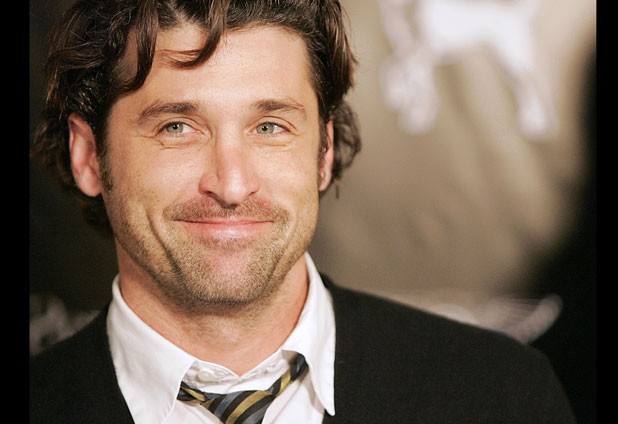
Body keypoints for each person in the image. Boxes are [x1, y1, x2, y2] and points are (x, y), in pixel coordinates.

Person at [29, 1, 576, 423]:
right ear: (89, 157)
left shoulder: (502, 395)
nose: (232, 184)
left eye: (270, 127)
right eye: (178, 127)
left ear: (324, 152)